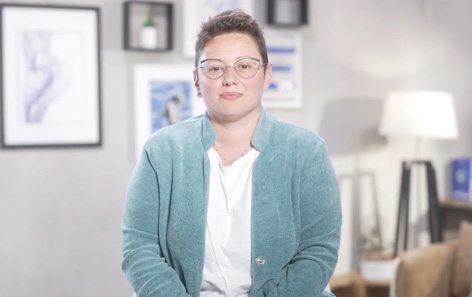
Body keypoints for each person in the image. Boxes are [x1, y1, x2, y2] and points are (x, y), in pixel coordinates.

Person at [122, 9, 342, 297]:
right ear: (197, 80)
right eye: (215, 68)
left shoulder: (307, 152)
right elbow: (139, 249)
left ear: (266, 75)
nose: (230, 79)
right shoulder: (162, 151)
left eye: (245, 66)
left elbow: (318, 251)